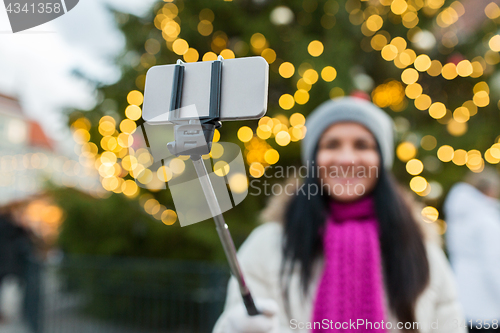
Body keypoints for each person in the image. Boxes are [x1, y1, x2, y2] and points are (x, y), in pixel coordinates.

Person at [212, 97, 466, 333]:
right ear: (314, 159)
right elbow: (234, 318)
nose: (346, 159)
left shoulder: (419, 250)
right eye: (332, 144)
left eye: (362, 145)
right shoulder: (269, 245)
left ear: (381, 159)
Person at [443, 168, 500, 332]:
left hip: (460, 294)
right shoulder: (486, 220)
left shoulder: (458, 217)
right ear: (489, 190)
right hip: (486, 304)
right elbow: (494, 265)